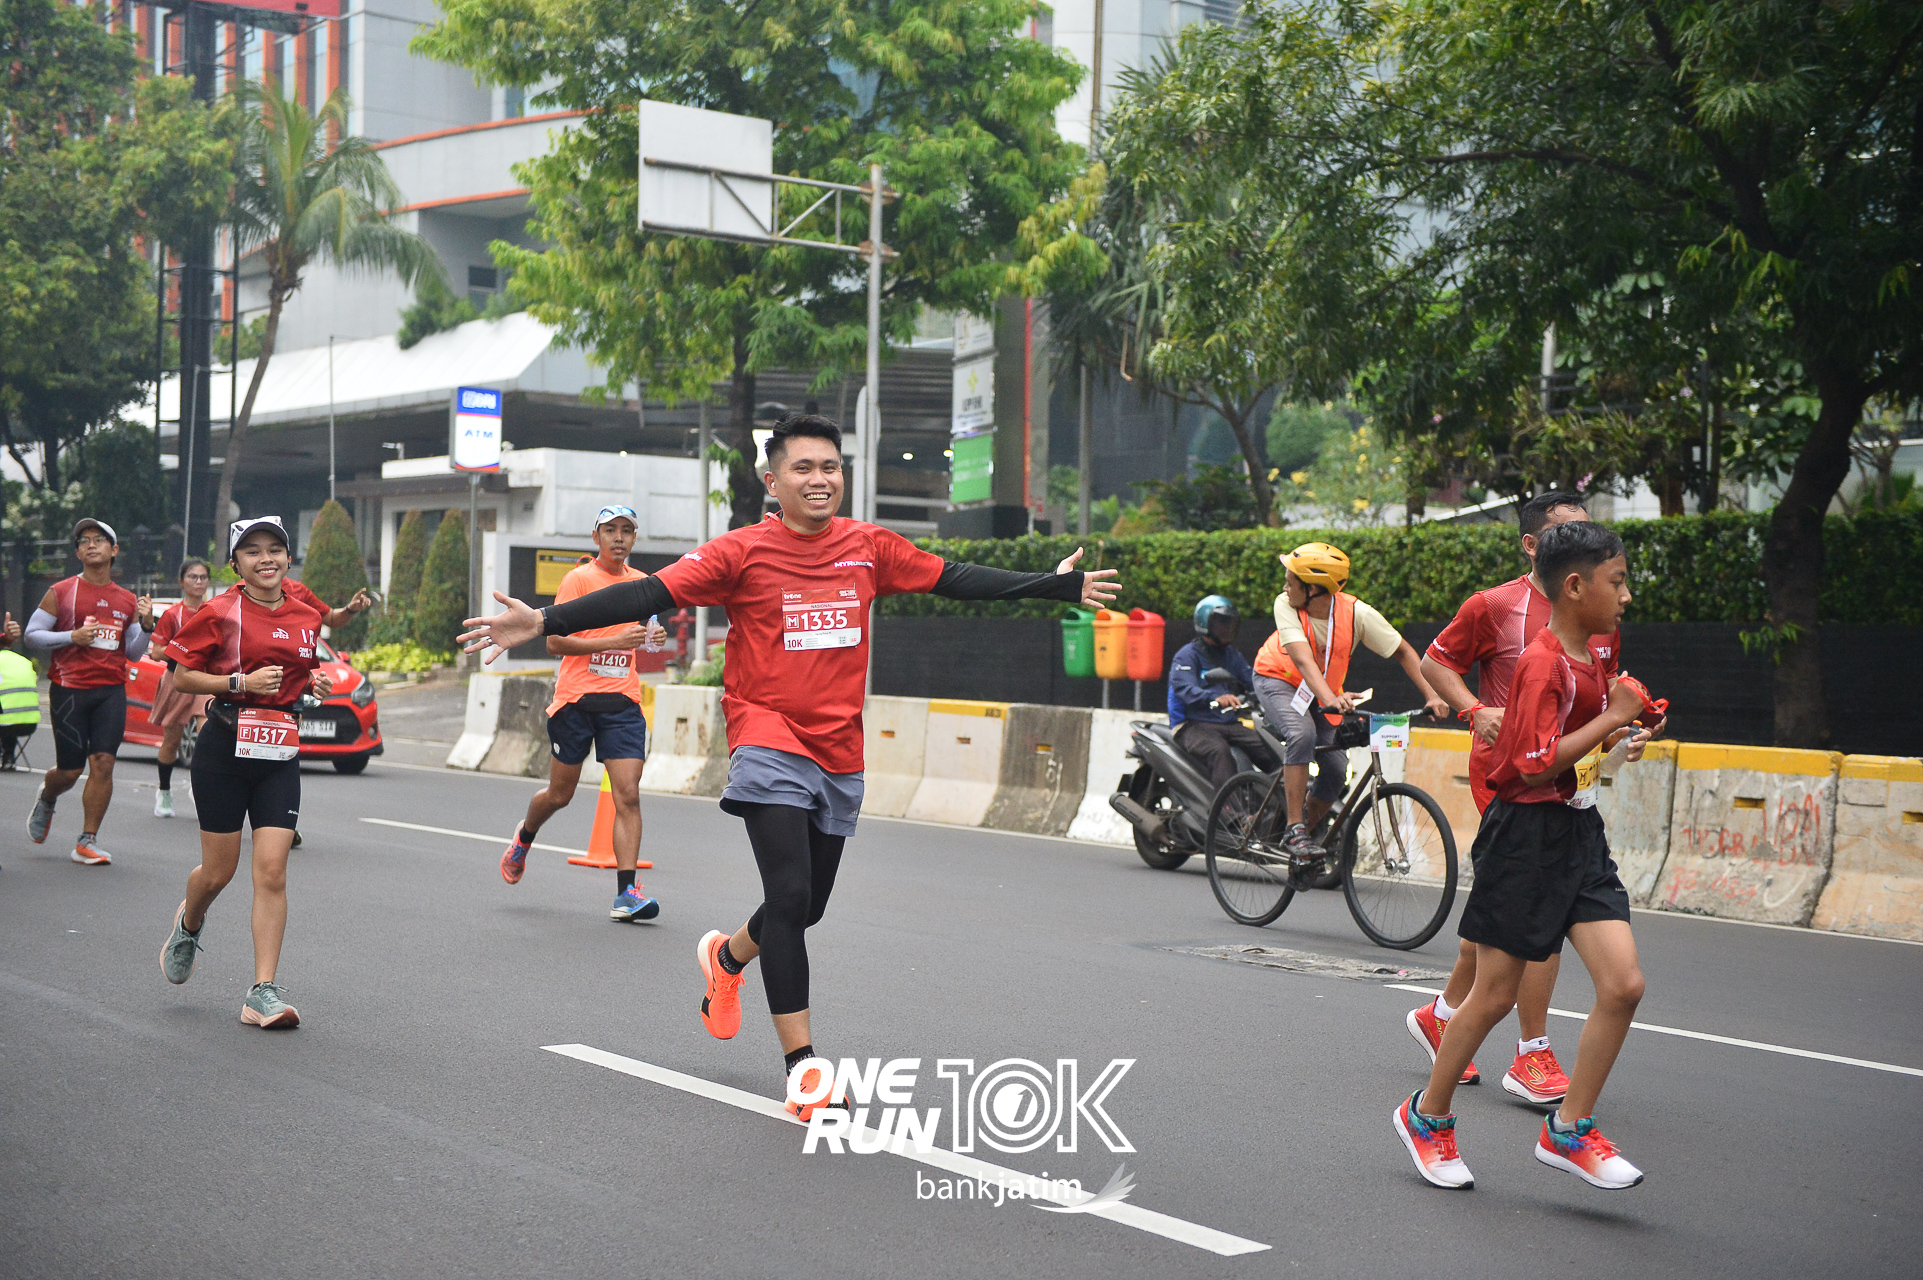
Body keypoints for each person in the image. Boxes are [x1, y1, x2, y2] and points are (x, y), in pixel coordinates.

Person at [457, 414, 1120, 1115]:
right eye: (803, 468)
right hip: (767, 739)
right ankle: (803, 1069)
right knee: (790, 892)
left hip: (839, 750)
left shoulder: (868, 547)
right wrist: (545, 620)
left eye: (830, 466)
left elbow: (952, 577)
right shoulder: (740, 552)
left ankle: (728, 959)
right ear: (773, 482)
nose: (819, 478)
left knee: (804, 908)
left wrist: (1052, 586)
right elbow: (648, 595)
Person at [1392, 520, 1657, 1192]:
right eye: (1617, 581)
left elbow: (1581, 742)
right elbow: (1533, 763)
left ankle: (1568, 1129)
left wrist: (1625, 732)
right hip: (1523, 837)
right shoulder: (1542, 660)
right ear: (1576, 587)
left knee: (1623, 986)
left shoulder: (1596, 652)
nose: (1626, 595)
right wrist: (1610, 719)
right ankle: (1426, 1116)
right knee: (1493, 996)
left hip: (1578, 832)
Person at [1408, 493, 1627, 1103]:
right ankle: (1531, 1053)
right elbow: (1435, 663)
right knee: (1536, 919)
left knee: (1503, 922)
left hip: (1573, 787)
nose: (1584, 541)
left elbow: (1601, 693)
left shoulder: (1600, 612)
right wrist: (1474, 709)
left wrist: (1623, 726)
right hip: (1516, 784)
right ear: (1534, 546)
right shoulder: (1497, 607)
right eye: (1566, 533)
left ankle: (1444, 1014)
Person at [157, 517, 330, 1029]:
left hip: (279, 752)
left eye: (275, 549)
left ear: (289, 558)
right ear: (235, 564)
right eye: (252, 551)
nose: (265, 559)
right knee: (218, 872)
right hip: (224, 750)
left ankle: (262, 992)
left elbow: (298, 672)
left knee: (272, 870)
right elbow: (181, 675)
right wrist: (240, 682)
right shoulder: (218, 611)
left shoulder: (306, 615)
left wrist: (312, 685)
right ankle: (190, 922)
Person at [498, 506, 668, 921]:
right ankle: (524, 836)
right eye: (610, 530)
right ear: (596, 538)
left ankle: (626, 894)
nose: (619, 538)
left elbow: (648, 634)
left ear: (634, 538)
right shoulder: (578, 579)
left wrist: (655, 636)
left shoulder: (642, 584)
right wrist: (611, 641)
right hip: (575, 701)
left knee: (628, 794)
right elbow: (554, 644)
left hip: (622, 702)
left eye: (626, 531)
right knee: (560, 794)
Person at [1250, 542, 1450, 858]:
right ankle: (1293, 829)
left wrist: (1433, 695)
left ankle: (1303, 841)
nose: (1285, 588)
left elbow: (1403, 651)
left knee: (1336, 767)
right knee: (1302, 734)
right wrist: (1331, 698)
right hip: (1278, 679)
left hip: (1322, 692)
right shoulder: (1284, 604)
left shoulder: (1358, 613)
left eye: (1290, 582)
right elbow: (1303, 661)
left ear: (1312, 588)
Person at [23, 518, 153, 864]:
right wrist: (72, 636)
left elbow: (133, 653)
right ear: (78, 553)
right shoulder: (62, 591)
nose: (91, 545)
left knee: (103, 763)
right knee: (69, 771)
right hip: (69, 689)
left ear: (114, 550)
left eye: (99, 539)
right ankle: (49, 795)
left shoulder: (126, 599)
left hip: (110, 690)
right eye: (84, 541)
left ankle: (87, 840)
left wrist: (147, 627)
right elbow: (32, 635)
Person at [1166, 596, 1281, 790]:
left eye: (1230, 623)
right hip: (1192, 725)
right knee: (1219, 752)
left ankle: (1280, 802)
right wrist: (1215, 698)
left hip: (1227, 723)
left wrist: (1276, 694)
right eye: (1221, 623)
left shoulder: (1231, 655)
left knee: (1272, 749)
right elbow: (1184, 688)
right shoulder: (1187, 655)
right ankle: (1230, 807)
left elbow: (1253, 681)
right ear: (1204, 623)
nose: (1227, 628)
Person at [149, 559, 214, 818]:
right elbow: (156, 652)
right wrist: (185, 651)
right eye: (192, 577)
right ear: (181, 582)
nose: (198, 582)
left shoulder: (216, 612)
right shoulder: (172, 615)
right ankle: (164, 790)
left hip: (207, 680)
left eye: (203, 577)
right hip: (177, 678)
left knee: (207, 736)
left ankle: (200, 787)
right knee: (172, 740)